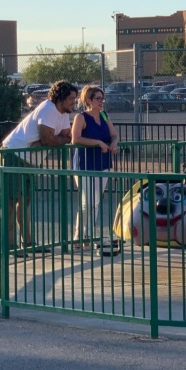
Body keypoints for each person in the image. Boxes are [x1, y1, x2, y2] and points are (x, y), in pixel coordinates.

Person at [0, 80, 79, 252]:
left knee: (25, 200)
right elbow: (49, 139)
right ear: (61, 98)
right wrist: (52, 140)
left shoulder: (64, 113)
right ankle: (9, 246)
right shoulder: (48, 109)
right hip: (14, 154)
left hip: (30, 159)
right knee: (11, 201)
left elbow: (66, 137)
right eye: (72, 98)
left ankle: (27, 243)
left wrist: (56, 140)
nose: (74, 102)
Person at [71, 85, 119, 252]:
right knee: (86, 201)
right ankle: (78, 235)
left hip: (102, 163)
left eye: (102, 98)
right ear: (88, 100)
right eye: (98, 98)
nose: (101, 101)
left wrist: (113, 142)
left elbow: (114, 134)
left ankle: (89, 234)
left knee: (96, 201)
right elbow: (75, 138)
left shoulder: (104, 116)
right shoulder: (81, 117)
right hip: (85, 164)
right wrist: (97, 143)